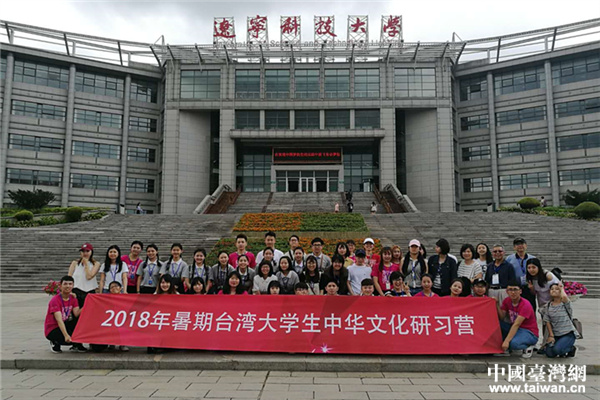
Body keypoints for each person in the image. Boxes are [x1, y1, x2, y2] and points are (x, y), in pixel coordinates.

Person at [496, 281, 539, 357]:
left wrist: (506, 341)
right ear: (507, 291)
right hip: (516, 329)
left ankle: (528, 346)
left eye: (515, 289)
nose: (513, 292)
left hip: (528, 332)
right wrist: (496, 304)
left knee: (513, 344)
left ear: (520, 291)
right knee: (498, 324)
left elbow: (517, 324)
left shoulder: (525, 304)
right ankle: (508, 345)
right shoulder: (507, 301)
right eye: (510, 290)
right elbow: (502, 317)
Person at [44, 276, 85, 353]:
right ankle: (55, 342)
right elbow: (59, 320)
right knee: (69, 339)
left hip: (65, 323)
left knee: (78, 327)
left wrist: (87, 304)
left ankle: (76, 344)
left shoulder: (73, 298)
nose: (68, 286)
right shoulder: (55, 300)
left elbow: (76, 313)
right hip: (53, 328)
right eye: (65, 284)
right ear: (60, 286)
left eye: (70, 284)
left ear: (73, 286)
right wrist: (66, 335)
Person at [540, 283, 578, 358]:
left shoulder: (565, 303)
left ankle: (571, 349)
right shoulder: (548, 306)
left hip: (568, 333)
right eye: (552, 289)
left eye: (556, 289)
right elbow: (547, 321)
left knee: (557, 350)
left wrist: (561, 288)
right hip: (556, 335)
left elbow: (564, 297)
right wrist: (551, 336)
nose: (554, 290)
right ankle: (562, 348)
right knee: (549, 354)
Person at [506, 238, 537, 312]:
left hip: (529, 287)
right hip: (516, 288)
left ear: (526, 246)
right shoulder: (509, 259)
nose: (520, 246)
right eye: (517, 244)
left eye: (522, 244)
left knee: (531, 308)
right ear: (514, 247)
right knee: (517, 308)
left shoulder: (532, 258)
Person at [67, 242, 100, 308]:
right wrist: (69, 291)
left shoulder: (96, 264)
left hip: (90, 291)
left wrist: (86, 264)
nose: (85, 253)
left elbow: (89, 276)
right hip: (77, 290)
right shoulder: (75, 263)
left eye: (87, 251)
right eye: (83, 251)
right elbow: (69, 278)